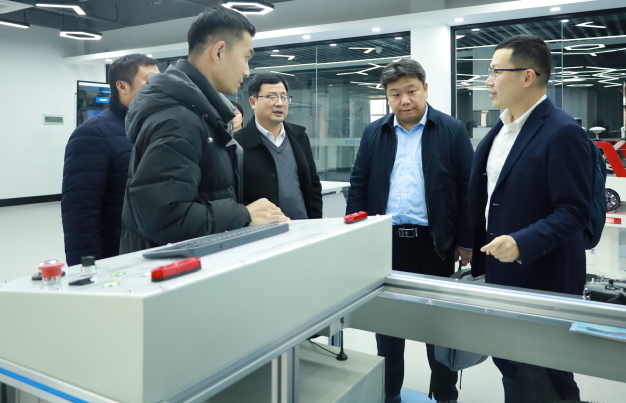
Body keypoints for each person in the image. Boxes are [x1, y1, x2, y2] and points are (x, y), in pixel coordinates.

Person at [469, 35, 592, 402]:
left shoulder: (562, 131)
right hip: (502, 272)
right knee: (513, 367)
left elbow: (574, 211)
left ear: (527, 76)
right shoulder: (501, 130)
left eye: (496, 71)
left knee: (547, 376)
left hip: (543, 276)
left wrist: (522, 242)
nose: (488, 80)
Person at [346, 59, 474, 403]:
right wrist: (355, 236)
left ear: (425, 89)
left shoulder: (451, 130)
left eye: (411, 91)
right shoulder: (375, 132)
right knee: (388, 330)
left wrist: (466, 240)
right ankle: (389, 394)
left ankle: (445, 394)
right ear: (387, 97)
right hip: (386, 244)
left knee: (439, 329)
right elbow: (358, 185)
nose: (404, 100)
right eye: (395, 94)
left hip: (435, 245)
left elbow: (467, 188)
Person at [120, 5, 287, 254]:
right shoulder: (178, 120)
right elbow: (165, 217)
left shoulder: (201, 113)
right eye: (246, 57)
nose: (246, 71)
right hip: (172, 267)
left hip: (192, 260)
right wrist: (242, 214)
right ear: (219, 52)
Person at [61, 54, 159, 266]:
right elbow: (80, 214)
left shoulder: (155, 129)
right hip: (116, 256)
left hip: (151, 252)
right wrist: (86, 269)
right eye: (150, 80)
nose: (158, 86)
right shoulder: (92, 134)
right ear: (122, 86)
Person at [234, 73, 322, 220]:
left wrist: (315, 221)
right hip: (263, 230)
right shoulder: (237, 143)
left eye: (284, 97)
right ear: (253, 102)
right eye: (272, 97)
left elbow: (313, 185)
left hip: (303, 227)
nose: (280, 103)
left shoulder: (299, 136)